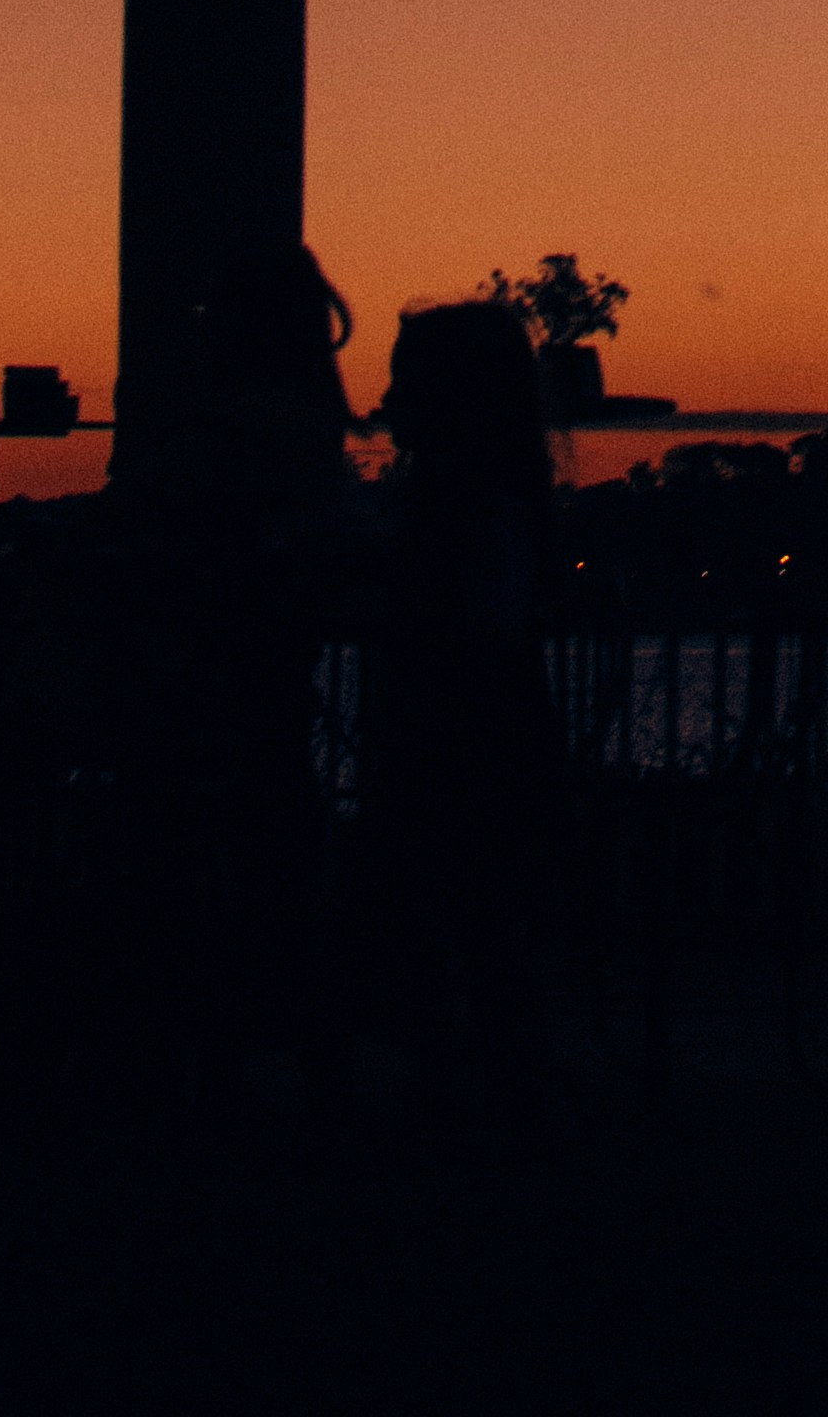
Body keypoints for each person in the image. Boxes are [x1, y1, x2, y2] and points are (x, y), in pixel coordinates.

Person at [361, 297, 562, 1077]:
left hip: (462, 743)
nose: (386, 404)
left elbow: (465, 629)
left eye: (404, 383)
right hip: (501, 738)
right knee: (490, 942)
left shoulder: (456, 510)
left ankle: (468, 1100)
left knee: (451, 929)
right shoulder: (500, 499)